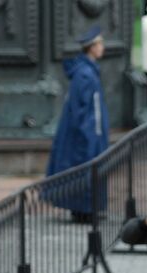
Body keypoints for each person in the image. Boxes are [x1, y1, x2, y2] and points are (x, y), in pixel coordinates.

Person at [46, 27, 109, 221]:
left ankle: (85, 209)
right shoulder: (85, 74)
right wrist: (89, 133)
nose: (103, 48)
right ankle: (84, 210)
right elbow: (83, 108)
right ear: (92, 47)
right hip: (87, 131)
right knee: (86, 167)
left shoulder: (86, 71)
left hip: (89, 129)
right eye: (100, 44)